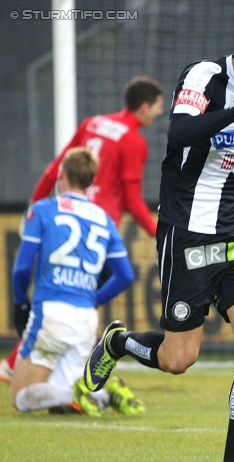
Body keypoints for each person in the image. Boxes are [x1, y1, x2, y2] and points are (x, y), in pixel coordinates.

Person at [84, 13, 234, 461]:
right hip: (188, 231)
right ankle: (118, 342)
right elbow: (178, 134)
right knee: (177, 359)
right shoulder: (203, 77)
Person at [0, 76, 164, 385]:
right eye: (156, 107)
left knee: (63, 295)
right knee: (83, 297)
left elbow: (55, 168)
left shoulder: (92, 123)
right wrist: (159, 234)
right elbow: (131, 198)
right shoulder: (134, 141)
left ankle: (24, 362)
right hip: (95, 230)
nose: (158, 113)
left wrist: (34, 206)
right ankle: (36, 364)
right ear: (144, 107)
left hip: (62, 221)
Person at [10, 147, 143, 417]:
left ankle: (91, 393)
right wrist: (94, 299)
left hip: (51, 313)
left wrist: (19, 302)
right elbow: (125, 275)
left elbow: (22, 268)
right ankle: (104, 395)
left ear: (63, 174)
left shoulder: (44, 210)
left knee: (20, 398)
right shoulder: (103, 219)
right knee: (62, 406)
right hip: (84, 318)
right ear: (90, 181)